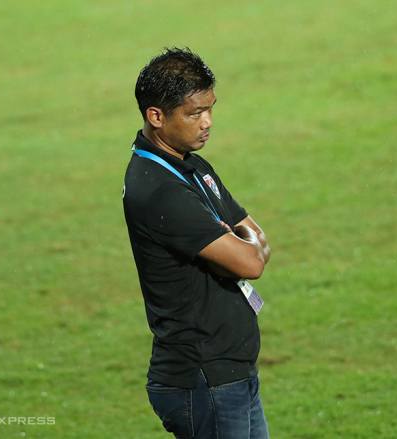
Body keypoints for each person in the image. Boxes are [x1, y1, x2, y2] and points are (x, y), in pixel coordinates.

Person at [122, 47, 271, 439]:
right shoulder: (160, 190)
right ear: (156, 116)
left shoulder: (190, 163)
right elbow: (252, 262)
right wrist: (236, 247)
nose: (207, 122)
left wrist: (237, 244)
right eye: (193, 113)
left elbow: (257, 241)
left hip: (229, 371)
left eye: (210, 108)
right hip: (204, 377)